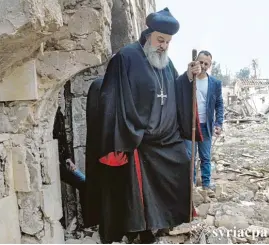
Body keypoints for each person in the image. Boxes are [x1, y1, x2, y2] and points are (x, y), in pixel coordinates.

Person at [83, 7, 203, 244]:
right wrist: (125, 133)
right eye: (160, 40)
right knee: (136, 192)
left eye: (168, 42)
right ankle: (140, 230)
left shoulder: (166, 64)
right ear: (148, 34)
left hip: (164, 138)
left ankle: (163, 222)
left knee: (182, 162)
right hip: (136, 137)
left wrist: (187, 77)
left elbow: (172, 91)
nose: (163, 46)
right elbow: (111, 96)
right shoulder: (126, 58)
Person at [184, 50, 224, 196]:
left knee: (205, 157)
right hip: (190, 126)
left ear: (210, 65)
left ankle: (206, 184)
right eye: (201, 62)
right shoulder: (188, 80)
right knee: (190, 157)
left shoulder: (215, 83)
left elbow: (219, 104)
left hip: (206, 126)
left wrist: (218, 123)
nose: (203, 65)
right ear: (196, 61)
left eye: (206, 63)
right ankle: (192, 185)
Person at [52, 106, 86, 226]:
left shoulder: (58, 113)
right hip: (51, 160)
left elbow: (63, 139)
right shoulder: (49, 115)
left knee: (83, 183)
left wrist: (68, 159)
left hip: (61, 160)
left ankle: (86, 221)